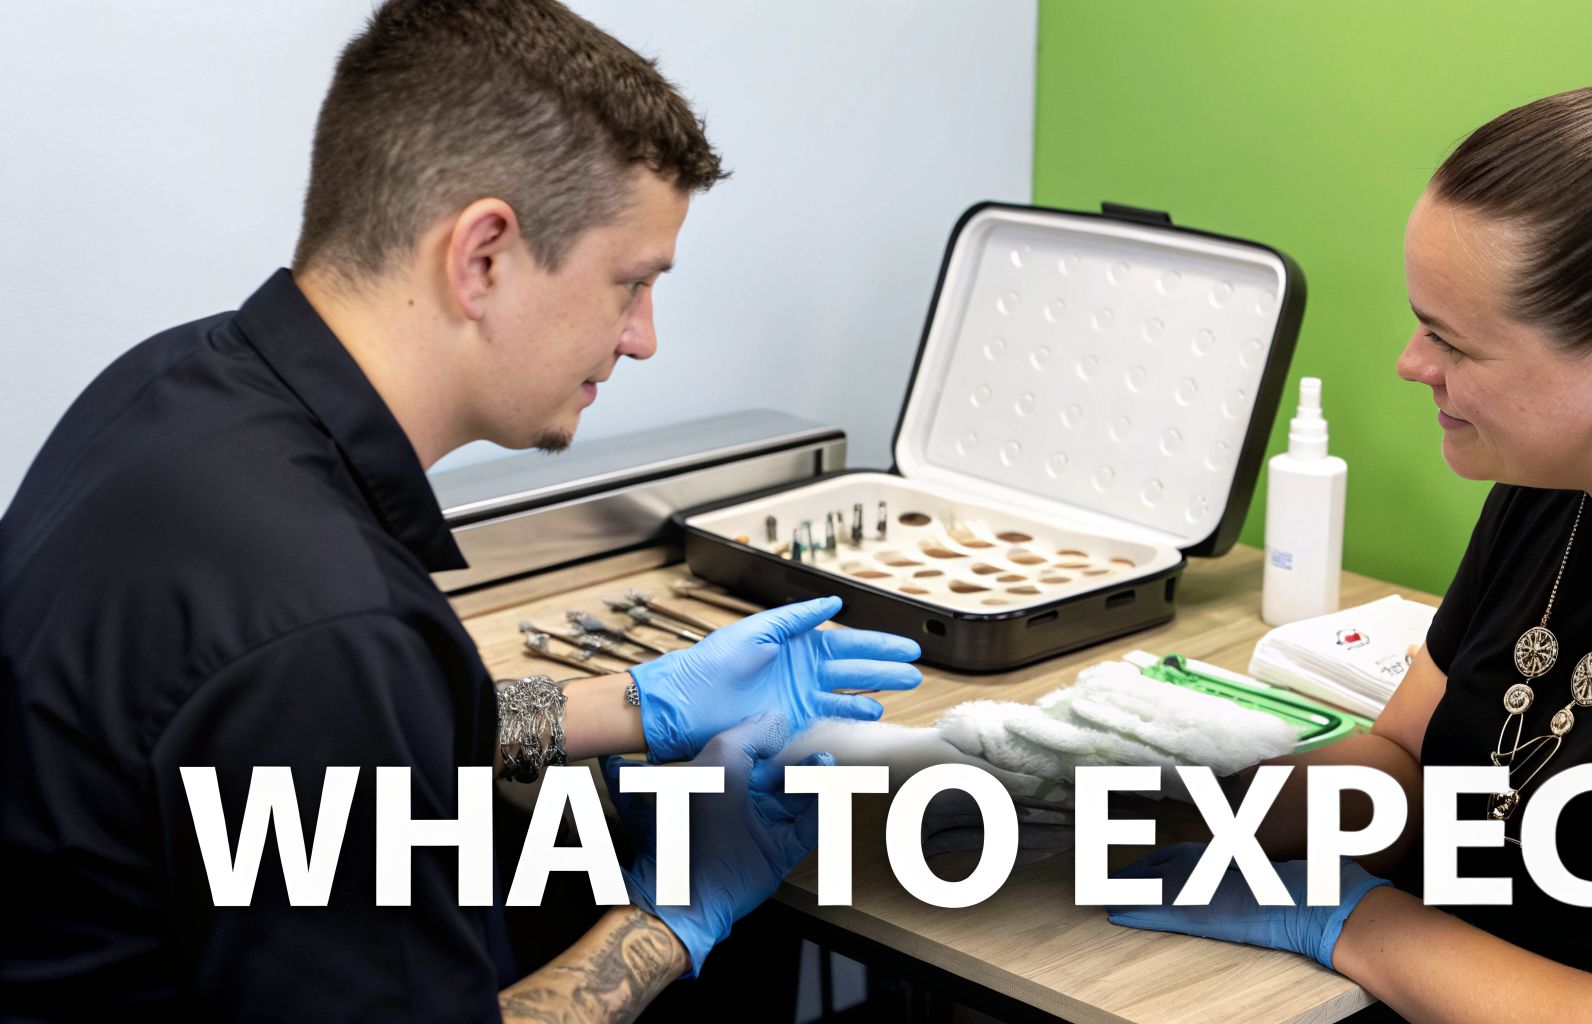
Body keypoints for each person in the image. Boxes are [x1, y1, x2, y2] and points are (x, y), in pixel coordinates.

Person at [0, 1, 921, 1020]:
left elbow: (376, 734)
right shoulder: (322, 629)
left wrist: (627, 705)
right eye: (629, 283)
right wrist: (669, 922)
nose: (642, 336)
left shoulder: (180, 382)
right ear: (482, 256)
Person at [1107, 80, 1592, 1021]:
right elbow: (1407, 758)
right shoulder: (1556, 483)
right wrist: (1163, 806)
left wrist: (1350, 919)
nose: (1411, 362)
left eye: (1451, 341)